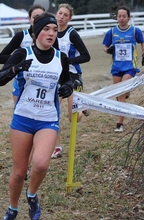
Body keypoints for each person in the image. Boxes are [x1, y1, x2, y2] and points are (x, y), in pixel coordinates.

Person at [0, 13, 73, 220]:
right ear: (37, 32)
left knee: (40, 163)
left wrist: (68, 86)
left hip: (47, 119)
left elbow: (68, 79)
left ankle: (32, 195)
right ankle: (12, 208)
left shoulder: (61, 57)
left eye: (55, 30)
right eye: (46, 29)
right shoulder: (22, 53)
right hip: (23, 118)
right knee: (19, 172)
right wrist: (16, 68)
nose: (51, 33)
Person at [0, 4, 59, 103]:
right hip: (22, 80)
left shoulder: (50, 37)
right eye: (35, 17)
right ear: (29, 19)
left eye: (42, 17)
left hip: (45, 80)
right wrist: (21, 60)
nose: (38, 20)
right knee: (21, 110)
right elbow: (1, 58)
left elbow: (57, 59)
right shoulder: (21, 35)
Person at [52, 3, 91, 159]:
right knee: (53, 112)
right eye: (60, 13)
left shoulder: (72, 34)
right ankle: (57, 147)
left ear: (69, 18)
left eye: (65, 15)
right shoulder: (51, 32)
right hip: (56, 76)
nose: (61, 17)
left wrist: (68, 61)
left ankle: (82, 107)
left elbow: (86, 56)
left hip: (72, 76)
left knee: (71, 117)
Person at [102, 5, 144, 133]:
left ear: (129, 17)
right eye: (119, 16)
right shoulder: (111, 32)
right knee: (118, 95)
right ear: (116, 17)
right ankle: (126, 93)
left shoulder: (134, 31)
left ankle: (119, 123)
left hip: (130, 67)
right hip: (116, 67)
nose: (121, 18)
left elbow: (142, 41)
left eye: (124, 16)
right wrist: (108, 50)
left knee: (121, 95)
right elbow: (105, 47)